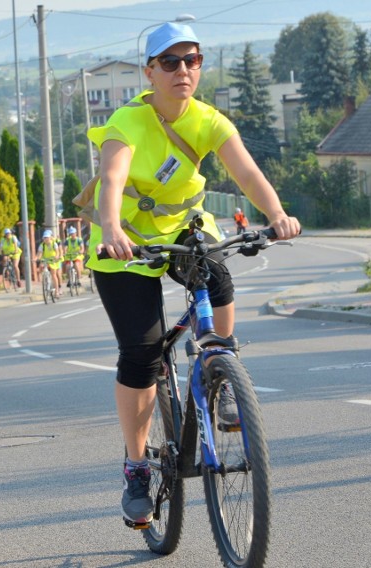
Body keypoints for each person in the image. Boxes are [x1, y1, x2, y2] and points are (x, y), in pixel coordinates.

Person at [86, 22, 300, 526]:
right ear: (150, 71)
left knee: (218, 276)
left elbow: (246, 172)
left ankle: (222, 373)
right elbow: (113, 178)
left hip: (185, 231)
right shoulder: (128, 121)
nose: (183, 70)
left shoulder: (209, 120)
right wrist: (112, 226)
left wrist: (276, 215)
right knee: (141, 354)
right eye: (170, 62)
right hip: (129, 242)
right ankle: (137, 467)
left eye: (193, 60)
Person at [35, 229, 63, 296]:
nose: (46, 239)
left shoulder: (54, 243)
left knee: (54, 274)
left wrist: (56, 257)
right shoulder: (42, 245)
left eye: (47, 237)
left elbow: (57, 252)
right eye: (44, 238)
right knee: (41, 266)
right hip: (46, 259)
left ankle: (56, 291)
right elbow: (39, 254)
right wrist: (36, 259)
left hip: (53, 260)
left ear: (50, 238)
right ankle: (45, 279)